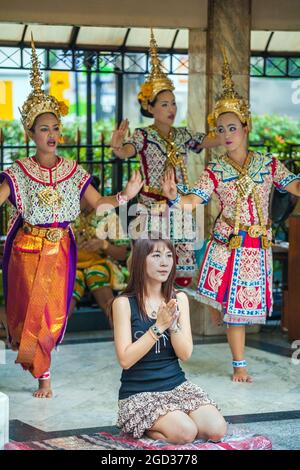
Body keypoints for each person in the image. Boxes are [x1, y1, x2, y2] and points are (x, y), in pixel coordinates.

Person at [0, 37, 143, 398]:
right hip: (26, 248)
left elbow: (99, 203)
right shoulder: (17, 171)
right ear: (30, 133)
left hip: (60, 249)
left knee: (52, 314)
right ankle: (40, 371)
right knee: (24, 313)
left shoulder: (73, 171)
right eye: (44, 128)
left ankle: (43, 373)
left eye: (55, 128)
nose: (52, 134)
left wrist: (127, 193)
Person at [161, 50, 300, 383]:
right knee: (234, 310)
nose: (226, 134)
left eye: (232, 127)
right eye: (221, 128)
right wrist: (175, 197)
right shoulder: (216, 168)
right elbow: (196, 199)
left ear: (246, 127)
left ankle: (226, 328)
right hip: (227, 245)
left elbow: (294, 185)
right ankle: (240, 365)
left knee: (239, 309)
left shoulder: (268, 163)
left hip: (257, 245)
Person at [110, 29, 221, 288]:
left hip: (178, 205)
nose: (171, 109)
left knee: (180, 273)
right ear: (150, 108)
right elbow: (125, 151)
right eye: (164, 104)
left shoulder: (182, 134)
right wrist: (117, 146)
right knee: (151, 270)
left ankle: (172, 323)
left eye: (173, 103)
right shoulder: (143, 135)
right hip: (150, 208)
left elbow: (206, 140)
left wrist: (232, 130)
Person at [111, 237, 227, 444]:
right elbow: (125, 360)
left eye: (168, 256)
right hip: (139, 392)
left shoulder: (179, 299)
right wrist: (158, 327)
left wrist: (172, 324)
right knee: (185, 433)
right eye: (156, 256)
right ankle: (142, 426)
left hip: (177, 386)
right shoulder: (123, 303)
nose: (165, 262)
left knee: (216, 430)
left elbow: (185, 354)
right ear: (140, 261)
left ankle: (173, 418)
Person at [70, 177, 130, 320]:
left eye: (79, 195)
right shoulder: (67, 214)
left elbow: (123, 254)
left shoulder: (108, 215)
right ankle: (56, 335)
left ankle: (118, 327)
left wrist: (103, 245)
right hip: (70, 264)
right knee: (72, 279)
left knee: (96, 274)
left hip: (100, 264)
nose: (74, 198)